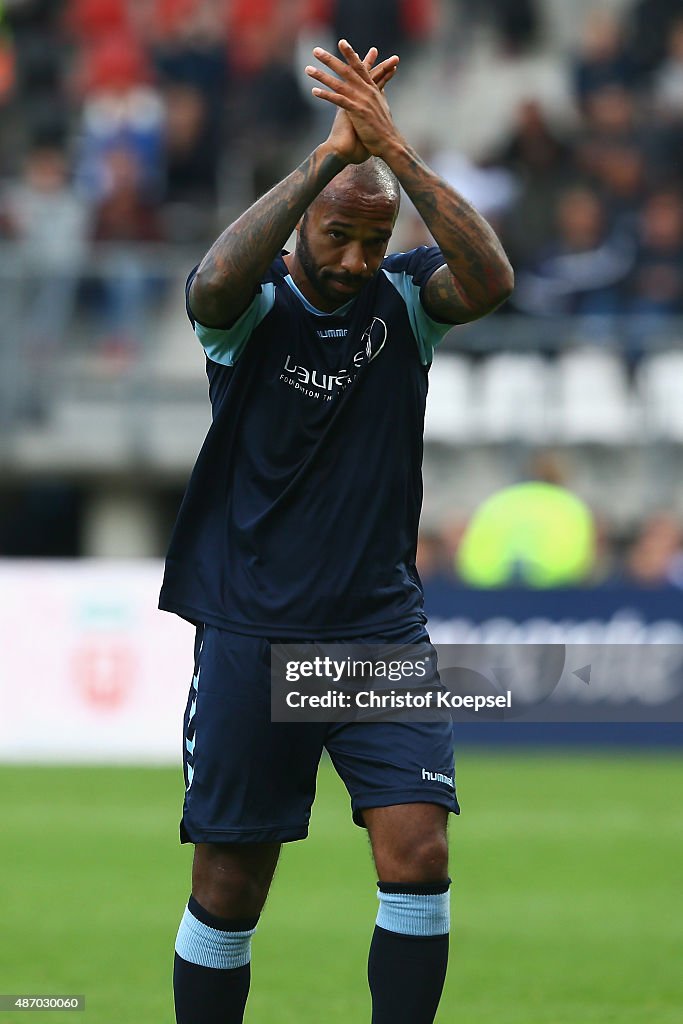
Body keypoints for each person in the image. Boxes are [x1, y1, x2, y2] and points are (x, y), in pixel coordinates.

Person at [159, 39, 513, 1024]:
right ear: (302, 225)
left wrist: (392, 155)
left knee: (419, 852)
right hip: (250, 628)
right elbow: (208, 285)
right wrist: (325, 159)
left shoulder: (404, 302)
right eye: (336, 237)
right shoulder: (252, 309)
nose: (355, 259)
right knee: (230, 888)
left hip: (373, 630)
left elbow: (488, 278)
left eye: (373, 237)